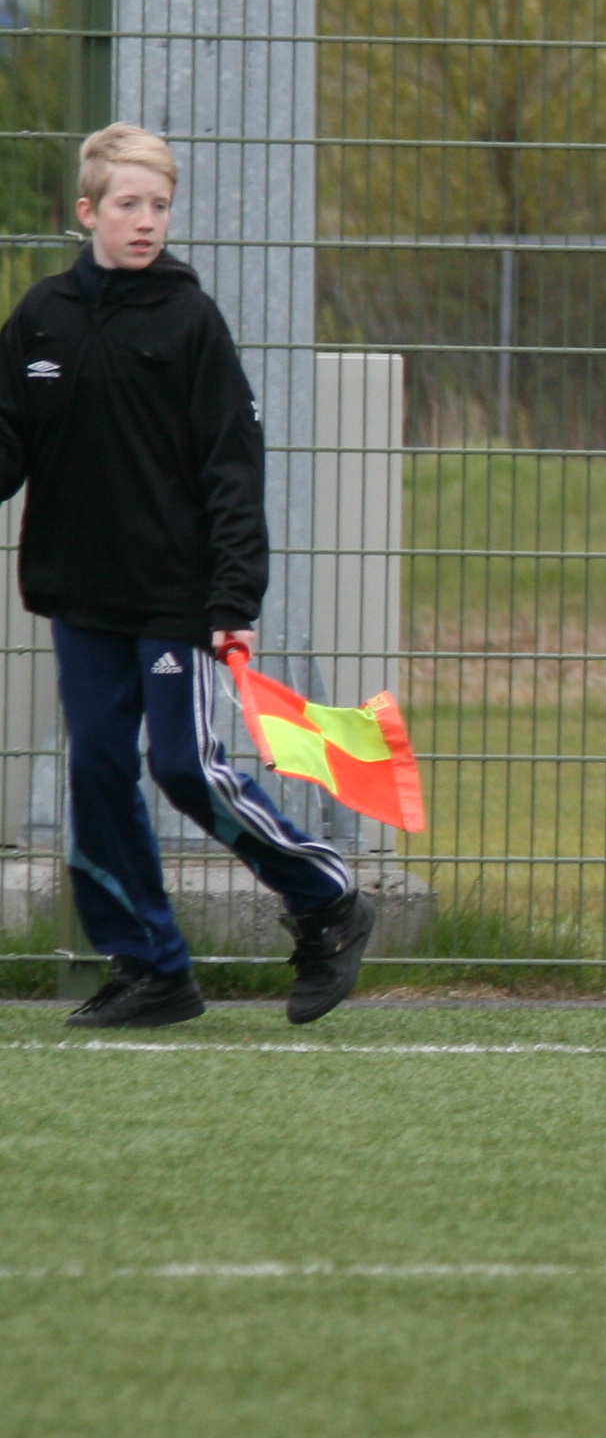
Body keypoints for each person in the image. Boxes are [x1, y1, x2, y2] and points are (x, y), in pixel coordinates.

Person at [0, 123, 375, 1031]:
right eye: (128, 204)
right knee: (97, 772)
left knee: (183, 765)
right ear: (87, 211)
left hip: (178, 596)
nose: (146, 221)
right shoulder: (41, 317)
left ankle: (326, 897)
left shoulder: (190, 321)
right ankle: (151, 967)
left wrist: (235, 596)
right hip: (80, 595)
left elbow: (232, 468)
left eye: (159, 205)